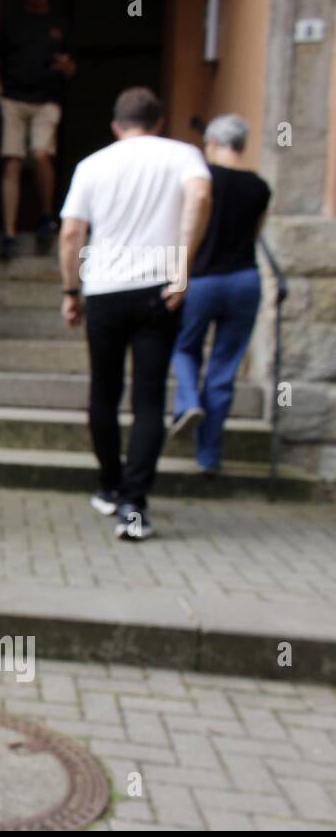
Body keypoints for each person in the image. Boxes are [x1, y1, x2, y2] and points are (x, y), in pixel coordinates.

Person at [58, 87, 211, 541]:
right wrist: (181, 270)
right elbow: (200, 199)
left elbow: (71, 233)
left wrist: (71, 290)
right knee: (148, 399)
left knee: (103, 392)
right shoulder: (184, 155)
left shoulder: (93, 164)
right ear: (159, 121)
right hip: (158, 291)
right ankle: (134, 504)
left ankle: (108, 484)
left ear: (116, 125)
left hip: (104, 290)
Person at [168, 114, 272, 475]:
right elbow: (256, 234)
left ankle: (188, 401)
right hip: (244, 280)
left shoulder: (201, 181)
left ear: (211, 141)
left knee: (183, 347)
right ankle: (209, 456)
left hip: (203, 279)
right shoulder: (259, 186)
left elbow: (187, 227)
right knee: (225, 367)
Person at [0, 0, 76, 261]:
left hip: (46, 101)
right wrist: (0, 95)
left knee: (40, 154)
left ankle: (46, 215)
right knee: (11, 162)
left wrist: (65, 67)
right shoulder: (12, 22)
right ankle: (10, 234)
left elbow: (72, 67)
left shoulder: (59, 23)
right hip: (13, 100)